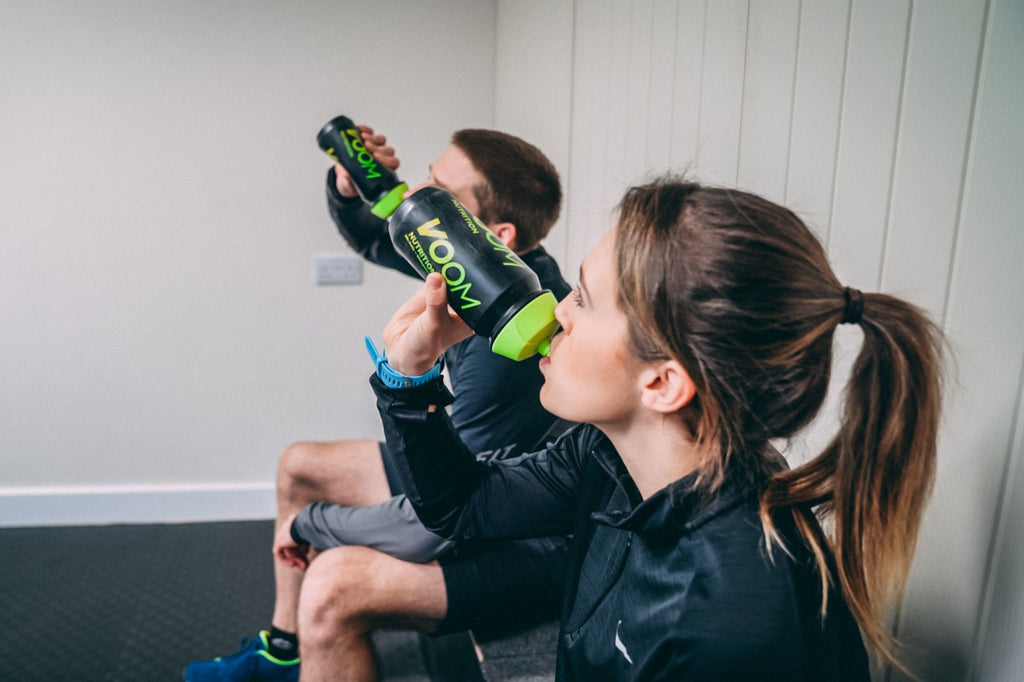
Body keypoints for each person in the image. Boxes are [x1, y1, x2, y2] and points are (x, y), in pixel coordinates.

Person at [372, 176, 946, 680]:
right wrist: (408, 378)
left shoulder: (729, 628)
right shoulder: (610, 453)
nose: (558, 310)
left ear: (664, 384)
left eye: (584, 300)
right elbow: (465, 505)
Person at [185, 128, 572, 681]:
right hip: (475, 476)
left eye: (439, 189)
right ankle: (280, 650)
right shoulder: (485, 270)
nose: (420, 194)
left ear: (497, 234)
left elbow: (451, 514)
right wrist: (348, 188)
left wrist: (311, 525)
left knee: (330, 583)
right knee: (300, 464)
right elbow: (377, 238)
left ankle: (306, 626)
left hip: (515, 529)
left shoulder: (506, 351)